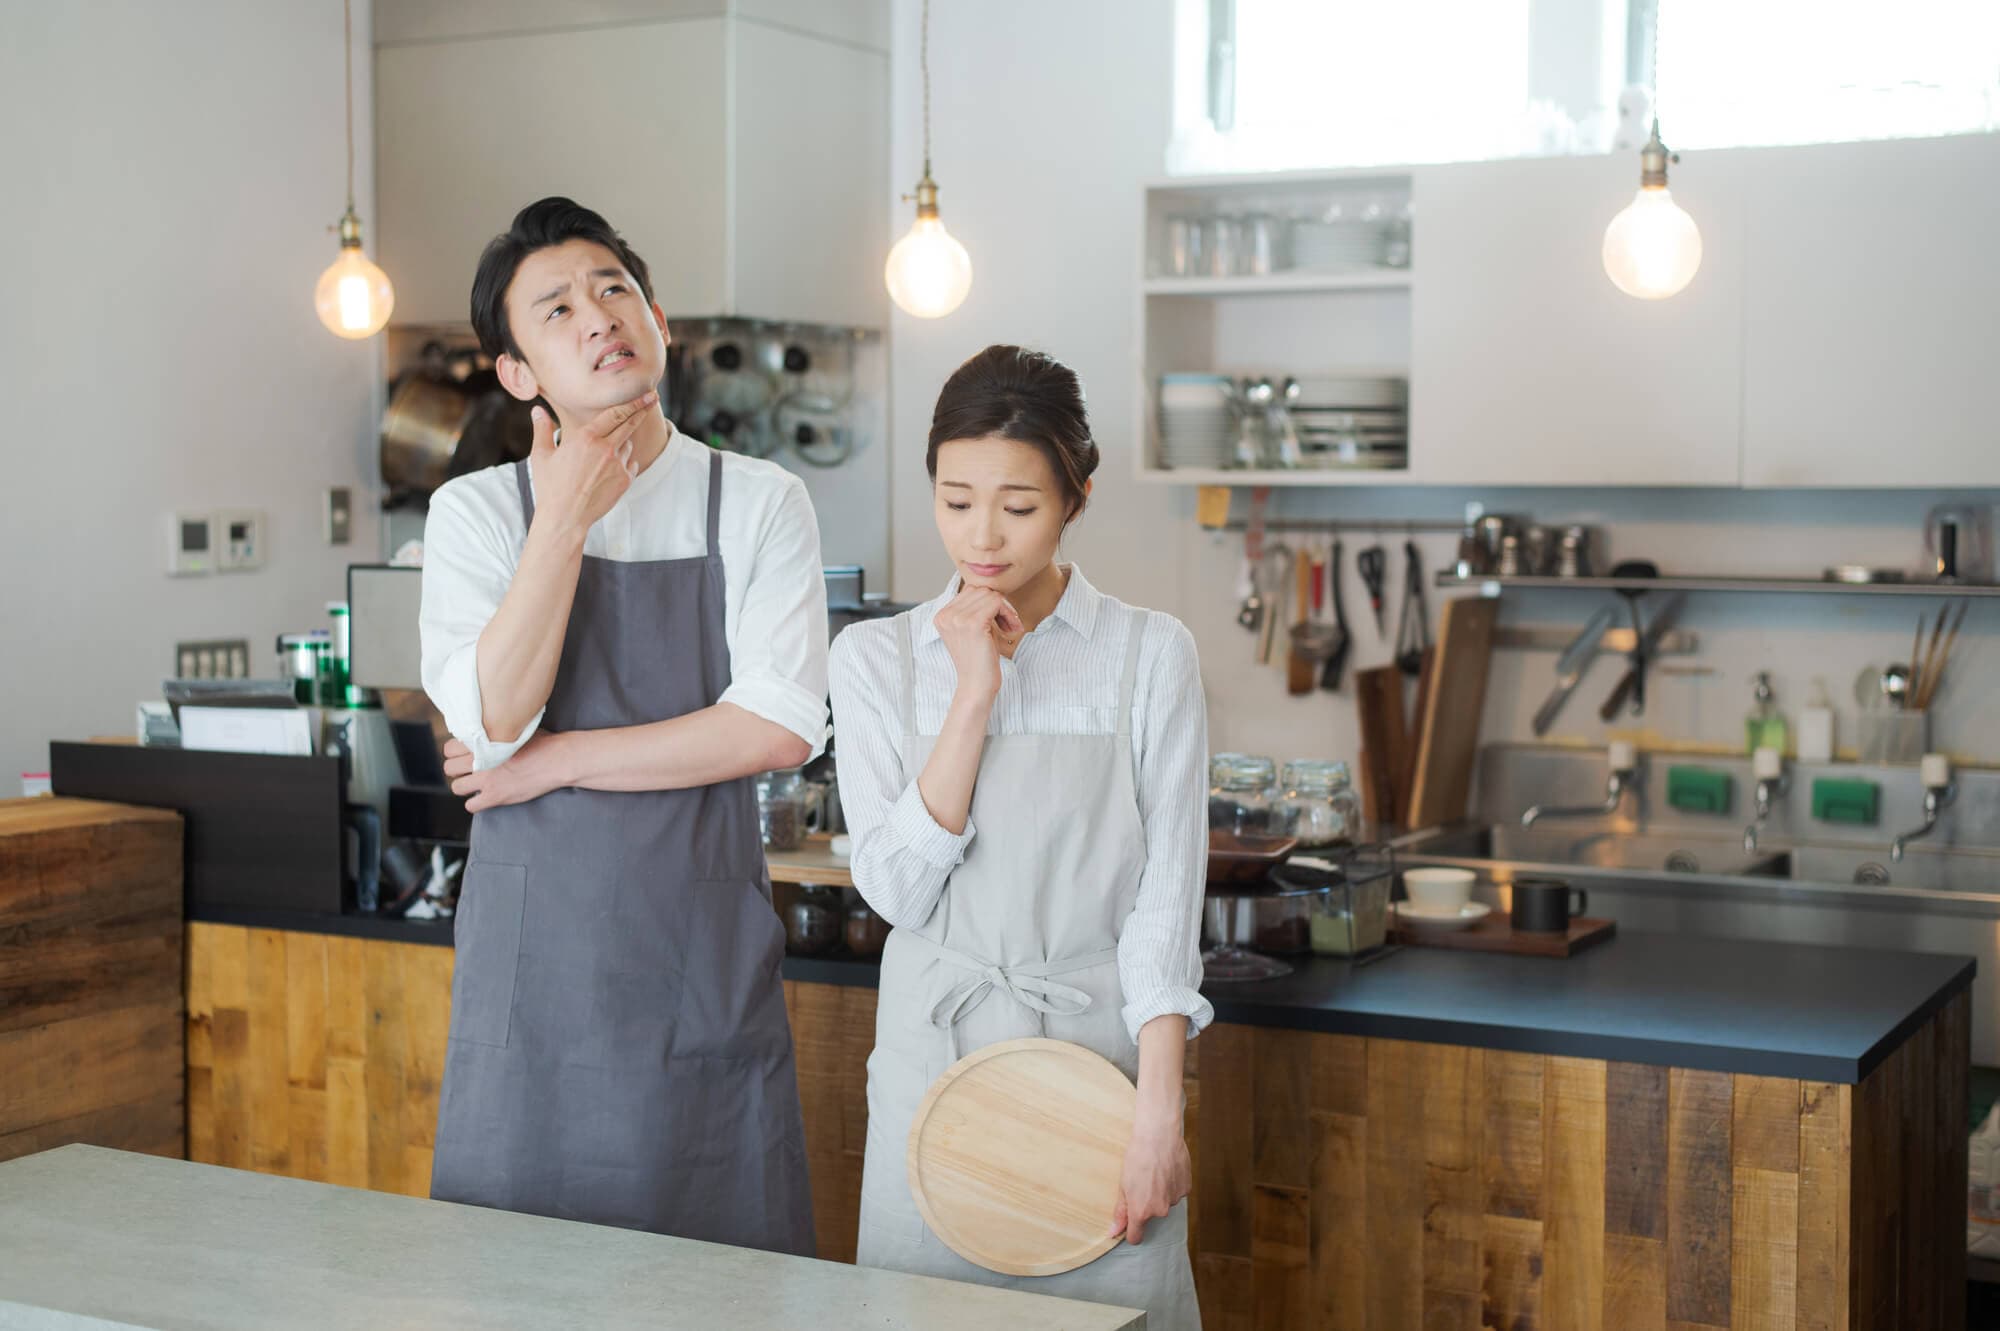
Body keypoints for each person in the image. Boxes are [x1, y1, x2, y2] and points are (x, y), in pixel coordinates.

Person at [417, 197, 826, 1254]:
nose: (596, 315)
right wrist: (562, 516)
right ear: (516, 373)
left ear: (657, 319)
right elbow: (491, 721)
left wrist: (556, 760)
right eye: (554, 308)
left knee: (720, 1293)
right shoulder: (475, 514)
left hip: (700, 970)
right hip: (533, 989)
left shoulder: (756, 499)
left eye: (612, 288)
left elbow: (778, 724)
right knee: (515, 1289)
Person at [829, 344, 1208, 1327]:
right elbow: (897, 893)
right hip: (931, 1070)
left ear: (1076, 495)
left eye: (1018, 504)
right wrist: (973, 691)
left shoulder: (1147, 653)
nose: (981, 535)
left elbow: (1163, 906)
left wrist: (1158, 1116)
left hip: (1096, 1078)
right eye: (954, 500)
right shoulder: (875, 658)